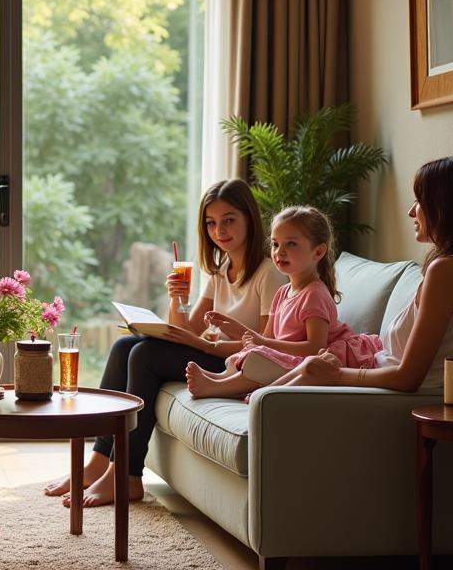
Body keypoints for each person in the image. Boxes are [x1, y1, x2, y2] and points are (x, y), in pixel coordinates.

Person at [44, 178, 284, 507]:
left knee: (143, 355)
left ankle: (127, 476)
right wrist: (177, 298)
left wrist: (204, 346)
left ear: (249, 220)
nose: (219, 230)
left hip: (240, 368)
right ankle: (98, 462)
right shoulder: (221, 270)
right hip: (219, 358)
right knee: (123, 348)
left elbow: (264, 348)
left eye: (229, 220)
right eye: (211, 223)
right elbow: (184, 328)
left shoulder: (268, 273)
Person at [254, 155, 453, 393]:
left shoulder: (447, 271)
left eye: (420, 200)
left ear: (447, 208)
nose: (411, 211)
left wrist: (337, 374)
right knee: (290, 377)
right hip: (377, 375)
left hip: (387, 393)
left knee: (307, 369)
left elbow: (407, 378)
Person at [186, 205, 382, 399]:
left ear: (318, 252)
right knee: (247, 355)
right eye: (275, 244)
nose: (279, 252)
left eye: (291, 244)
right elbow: (268, 340)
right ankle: (219, 380)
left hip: (312, 362)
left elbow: (315, 348)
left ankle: (216, 387)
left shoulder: (314, 295)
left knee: (258, 358)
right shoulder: (282, 293)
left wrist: (261, 343)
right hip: (289, 359)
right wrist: (238, 331)